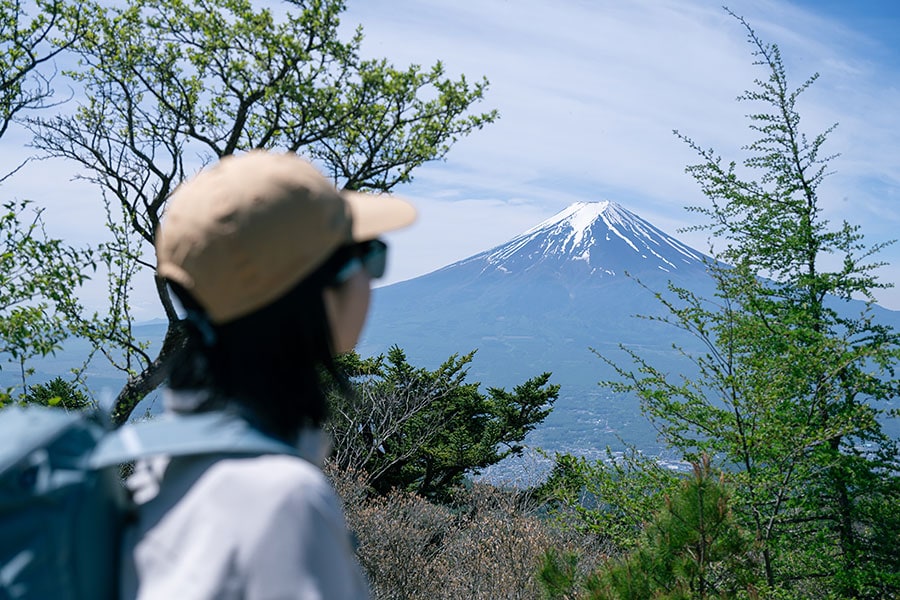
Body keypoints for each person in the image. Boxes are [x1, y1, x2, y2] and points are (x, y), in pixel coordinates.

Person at [119, 150, 416, 599]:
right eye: (369, 256)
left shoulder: (157, 469)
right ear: (315, 292)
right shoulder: (282, 501)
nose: (373, 280)